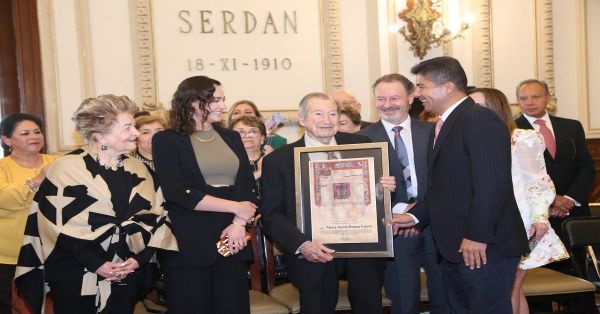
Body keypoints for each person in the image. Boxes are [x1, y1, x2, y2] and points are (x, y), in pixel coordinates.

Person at [14, 95, 178, 314]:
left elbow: (158, 219)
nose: (136, 133)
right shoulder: (66, 169)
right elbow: (53, 227)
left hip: (129, 272)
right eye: (128, 127)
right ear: (101, 135)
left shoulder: (141, 170)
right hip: (75, 273)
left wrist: (137, 260)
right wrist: (96, 264)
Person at [390, 57, 529, 314]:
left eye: (422, 86)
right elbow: (442, 188)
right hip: (455, 246)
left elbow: (491, 185)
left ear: (448, 86)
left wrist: (477, 235)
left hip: (484, 247)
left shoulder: (479, 120)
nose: (417, 94)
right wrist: (412, 216)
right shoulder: (441, 125)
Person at [261, 92, 397, 314]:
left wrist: (384, 188)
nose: (327, 120)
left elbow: (374, 198)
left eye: (333, 113)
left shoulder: (362, 145)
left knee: (369, 305)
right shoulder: (279, 160)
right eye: (319, 113)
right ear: (302, 119)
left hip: (362, 245)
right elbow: (271, 215)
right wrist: (302, 245)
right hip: (313, 251)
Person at [152, 76, 257, 314]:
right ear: (193, 102)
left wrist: (239, 224)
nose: (224, 106)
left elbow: (248, 186)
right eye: (216, 100)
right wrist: (236, 208)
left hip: (231, 239)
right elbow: (178, 193)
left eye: (223, 100)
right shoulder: (166, 140)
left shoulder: (231, 137)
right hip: (188, 244)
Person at [470, 87, 569, 314]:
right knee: (508, 290)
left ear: (494, 109)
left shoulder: (521, 138)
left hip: (521, 222)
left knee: (510, 289)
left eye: (478, 107)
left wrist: (540, 219)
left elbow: (538, 182)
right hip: (489, 224)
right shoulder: (472, 140)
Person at [359, 74, 448, 314]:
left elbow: (445, 180)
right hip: (393, 229)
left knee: (445, 297)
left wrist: (418, 214)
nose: (387, 104)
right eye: (381, 99)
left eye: (394, 98)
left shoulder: (433, 132)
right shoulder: (361, 138)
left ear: (411, 97)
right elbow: (357, 194)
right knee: (404, 301)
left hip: (435, 227)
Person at [515, 80, 595, 248]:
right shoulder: (512, 129)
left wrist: (569, 198)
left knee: (579, 270)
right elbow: (516, 176)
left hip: (574, 211)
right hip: (537, 215)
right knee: (543, 273)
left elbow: (586, 167)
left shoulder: (571, 126)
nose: (529, 102)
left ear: (548, 98)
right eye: (523, 98)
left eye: (535, 97)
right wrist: (552, 199)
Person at [0, 113, 57, 313]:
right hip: (10, 254)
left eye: (37, 132)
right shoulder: (2, 167)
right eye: (25, 133)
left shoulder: (58, 162)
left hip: (53, 249)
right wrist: (36, 180)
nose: (34, 136)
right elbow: (3, 198)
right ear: (6, 140)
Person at [229, 115, 272, 201]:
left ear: (262, 138)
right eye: (240, 132)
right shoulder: (225, 163)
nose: (247, 135)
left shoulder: (274, 160)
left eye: (253, 131)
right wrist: (260, 172)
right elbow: (230, 191)